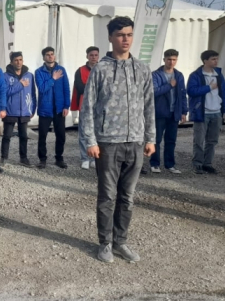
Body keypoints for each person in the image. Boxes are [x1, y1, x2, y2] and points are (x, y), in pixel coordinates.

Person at [80, 16, 155, 263]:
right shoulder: (100, 69)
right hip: (108, 143)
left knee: (127, 197)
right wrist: (90, 141)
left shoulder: (143, 69)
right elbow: (88, 107)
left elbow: (148, 106)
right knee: (107, 196)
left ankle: (121, 241)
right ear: (111, 37)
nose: (126, 39)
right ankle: (105, 243)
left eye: (130, 35)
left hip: (134, 142)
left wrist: (150, 138)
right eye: (121, 35)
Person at [188, 50, 225, 175]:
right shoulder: (196, 75)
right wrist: (209, 87)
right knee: (199, 140)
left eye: (217, 59)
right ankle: (197, 164)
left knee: (212, 140)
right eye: (213, 59)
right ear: (205, 60)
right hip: (202, 112)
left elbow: (224, 93)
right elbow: (191, 91)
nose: (216, 61)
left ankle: (208, 164)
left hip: (216, 112)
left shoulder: (219, 75)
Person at [147, 49, 188, 175]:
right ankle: (155, 164)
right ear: (164, 59)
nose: (171, 62)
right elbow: (153, 91)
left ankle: (170, 164)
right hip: (159, 112)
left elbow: (182, 94)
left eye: (174, 59)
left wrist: (184, 111)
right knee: (157, 139)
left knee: (171, 140)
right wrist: (169, 85)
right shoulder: (156, 74)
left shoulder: (179, 75)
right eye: (169, 59)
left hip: (174, 112)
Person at [35, 46, 70, 169]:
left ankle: (59, 158)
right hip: (45, 108)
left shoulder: (62, 70)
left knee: (61, 135)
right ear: (43, 57)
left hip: (59, 108)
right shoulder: (39, 72)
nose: (50, 56)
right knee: (42, 135)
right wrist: (52, 79)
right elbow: (42, 88)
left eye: (52, 54)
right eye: (48, 54)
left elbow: (66, 88)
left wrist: (66, 105)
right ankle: (42, 159)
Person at [1, 51, 36, 167]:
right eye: (16, 60)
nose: (18, 62)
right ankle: (4, 157)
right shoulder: (6, 76)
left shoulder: (29, 75)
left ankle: (23, 157)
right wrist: (20, 85)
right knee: (7, 135)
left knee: (23, 136)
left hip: (25, 110)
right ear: (11, 62)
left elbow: (32, 93)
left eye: (20, 60)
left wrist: (33, 107)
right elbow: (5, 92)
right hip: (10, 110)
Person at [71, 46, 100, 169]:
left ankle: (94, 158)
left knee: (97, 133)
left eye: (96, 55)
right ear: (87, 56)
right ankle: (85, 158)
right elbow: (79, 87)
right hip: (85, 106)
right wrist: (95, 89)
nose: (93, 57)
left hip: (99, 107)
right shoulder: (80, 70)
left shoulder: (102, 69)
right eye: (91, 55)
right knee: (83, 133)